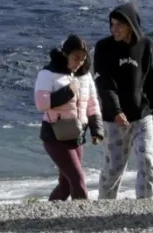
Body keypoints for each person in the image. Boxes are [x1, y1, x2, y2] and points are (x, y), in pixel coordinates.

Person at [93, 1, 153, 199]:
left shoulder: (146, 45)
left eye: (119, 24)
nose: (114, 29)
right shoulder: (103, 48)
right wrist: (116, 111)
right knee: (113, 169)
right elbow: (105, 84)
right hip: (114, 119)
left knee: (146, 161)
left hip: (142, 116)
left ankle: (145, 205)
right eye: (112, 24)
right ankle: (104, 206)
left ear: (131, 24)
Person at [33, 34, 103, 200]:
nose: (79, 63)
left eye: (83, 59)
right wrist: (69, 91)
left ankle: (47, 212)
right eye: (76, 58)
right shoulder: (48, 73)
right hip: (55, 136)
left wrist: (96, 130)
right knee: (78, 180)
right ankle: (84, 214)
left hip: (77, 135)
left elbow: (92, 105)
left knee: (66, 185)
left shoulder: (85, 76)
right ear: (65, 54)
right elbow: (41, 104)